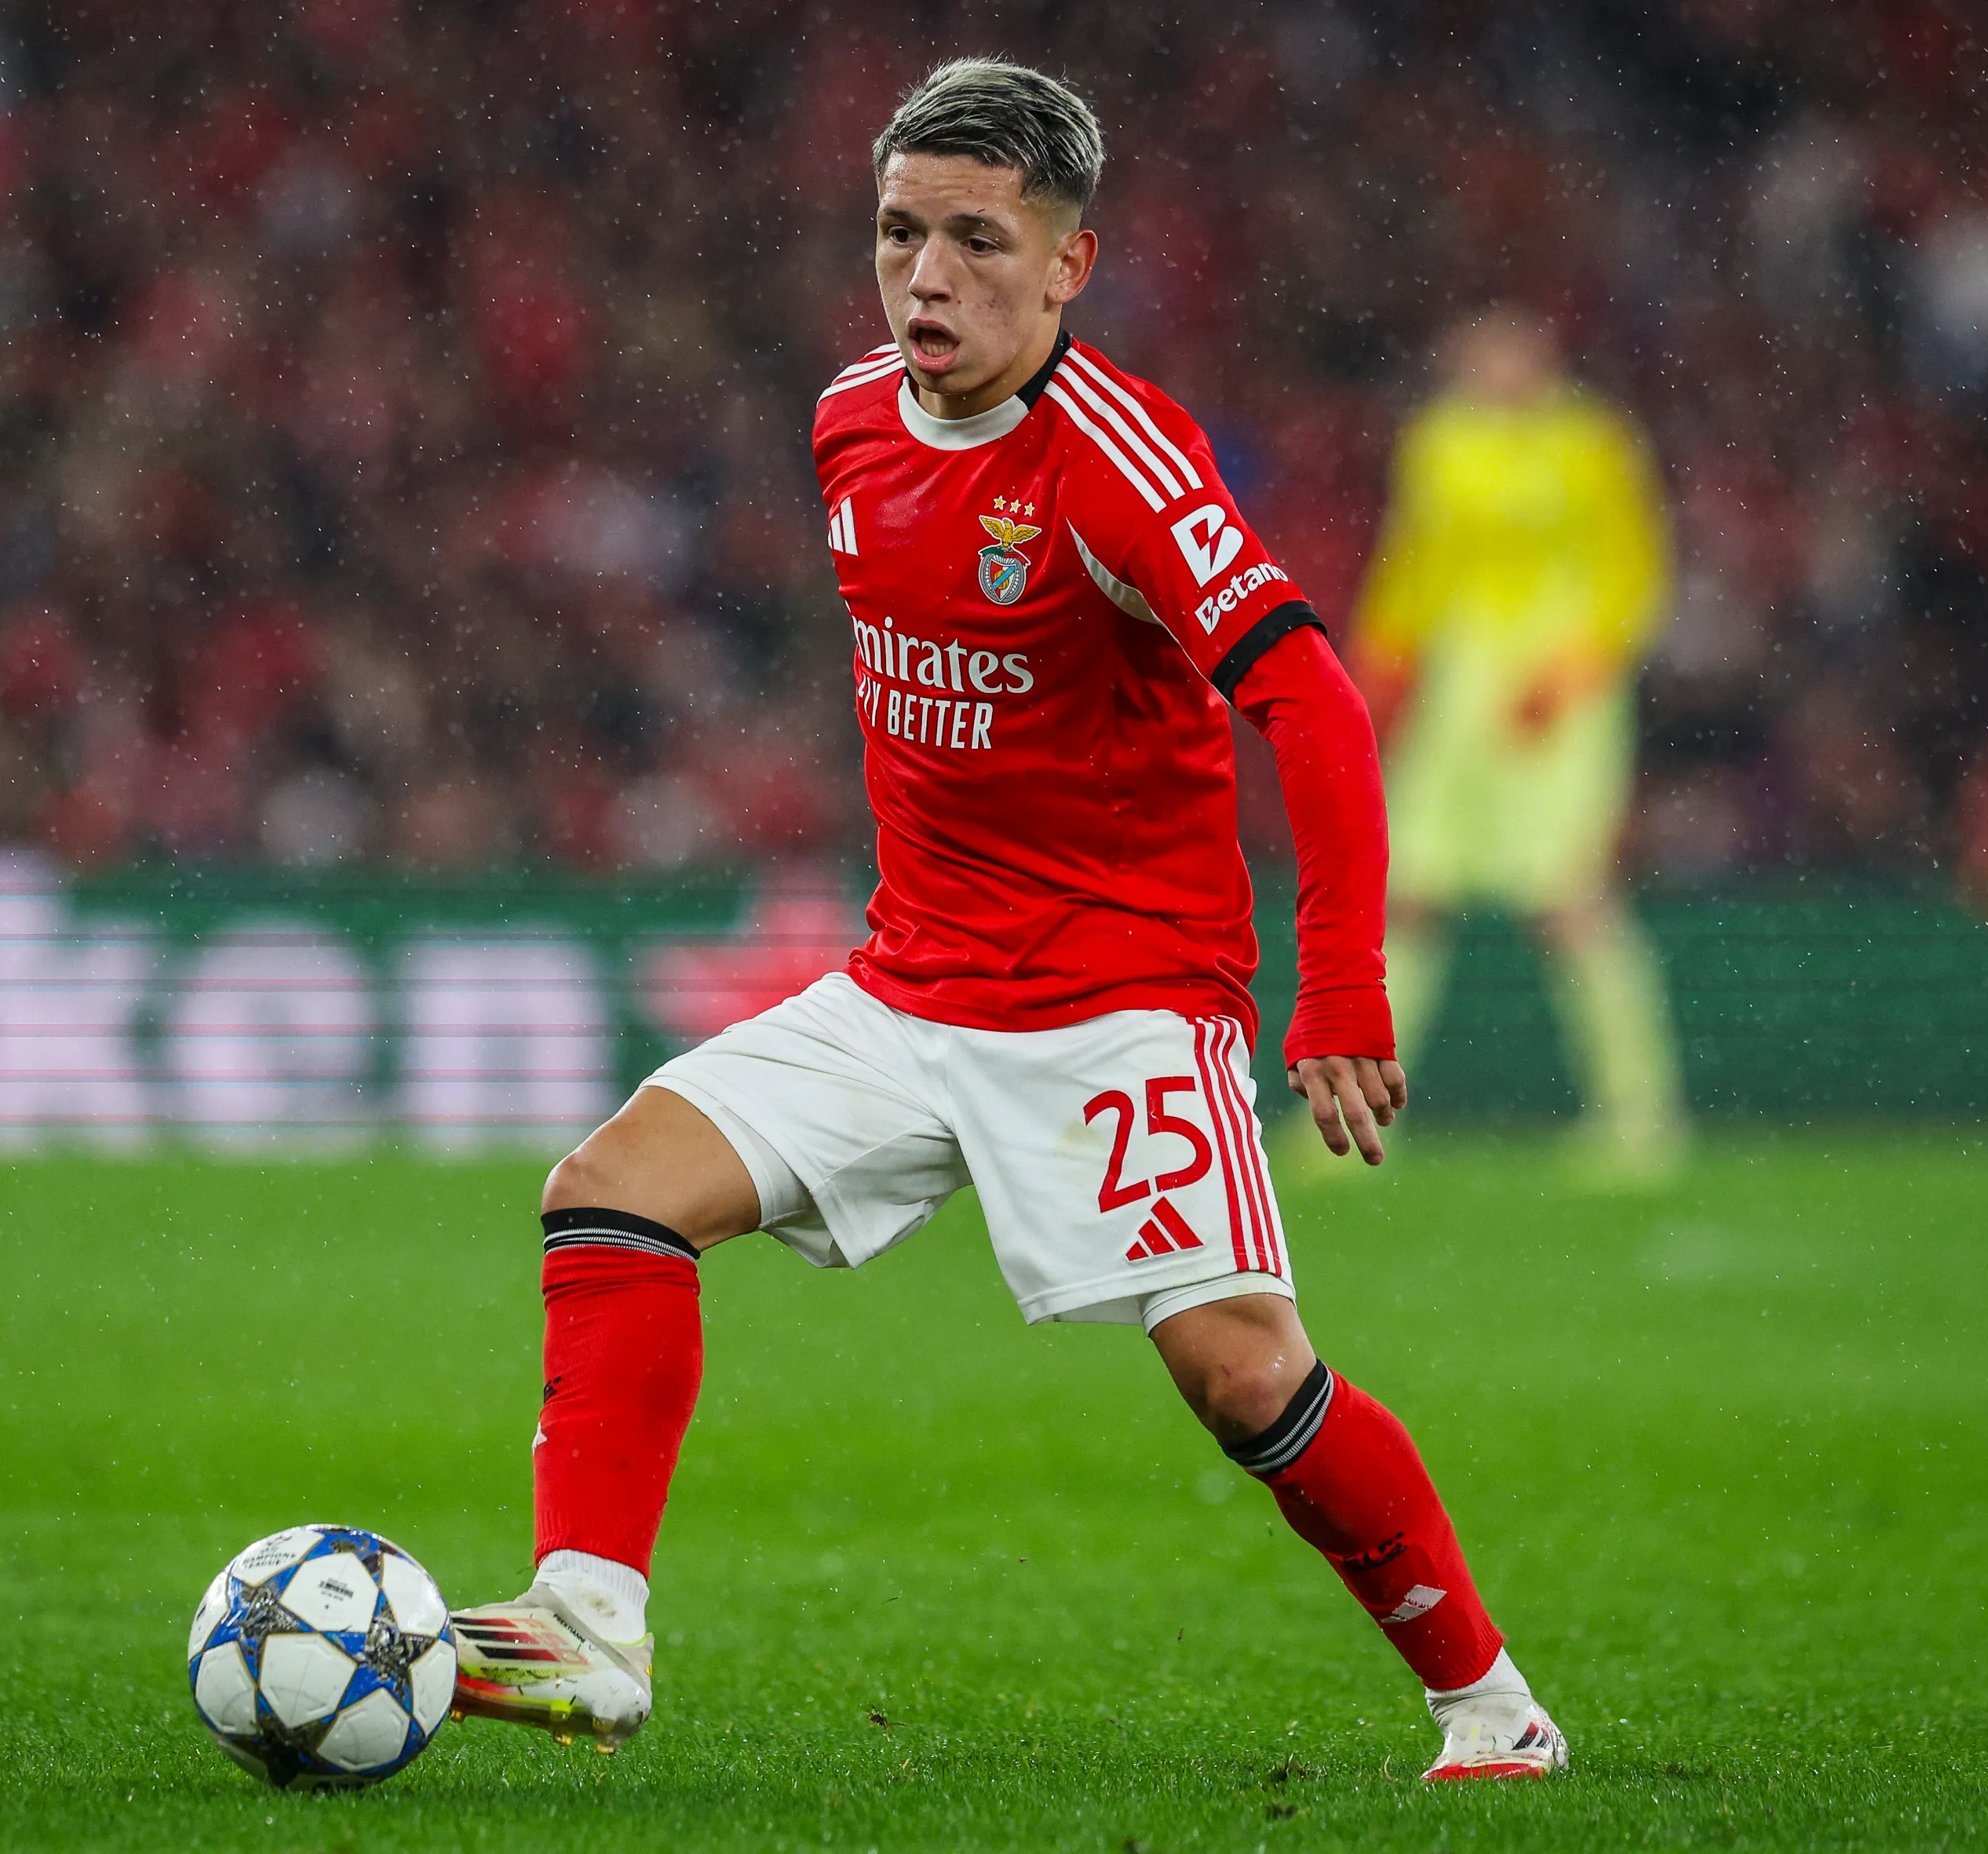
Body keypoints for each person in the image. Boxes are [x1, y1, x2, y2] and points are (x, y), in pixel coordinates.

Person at [444, 60, 1568, 1783]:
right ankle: (588, 1623)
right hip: (910, 986)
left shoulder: (1120, 462)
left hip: (1120, 999)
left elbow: (1316, 705)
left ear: (1067, 265)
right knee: (608, 1191)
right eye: (898, 232)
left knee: (1240, 1374)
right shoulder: (847, 419)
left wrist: (1340, 987)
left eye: (977, 240)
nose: (926, 276)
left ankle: (1489, 1704)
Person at [1355, 310, 1688, 1178]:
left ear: (1547, 361)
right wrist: (1380, 660)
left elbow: (1634, 569)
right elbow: (1414, 560)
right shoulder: (1438, 442)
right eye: (1479, 358)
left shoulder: (1592, 443)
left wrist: (1577, 669)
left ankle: (1639, 1117)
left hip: (1560, 685)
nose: (1494, 372)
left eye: (1510, 356)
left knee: (1569, 900)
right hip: (1459, 680)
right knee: (1407, 892)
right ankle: (1358, 1115)